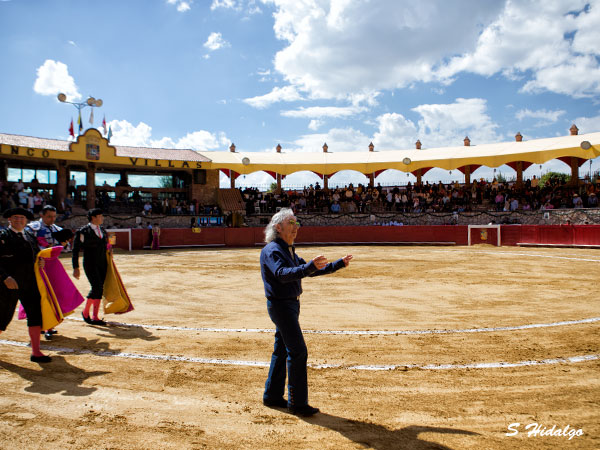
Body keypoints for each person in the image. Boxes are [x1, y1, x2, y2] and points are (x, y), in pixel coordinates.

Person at [260, 208, 352, 416]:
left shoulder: (287, 249)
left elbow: (309, 270)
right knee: (298, 351)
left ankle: (272, 396)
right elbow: (283, 274)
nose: (296, 228)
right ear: (278, 227)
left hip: (290, 305)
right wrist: (308, 267)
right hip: (282, 306)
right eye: (291, 223)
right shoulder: (273, 250)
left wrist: (338, 264)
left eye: (296, 223)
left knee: (282, 350)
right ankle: (297, 402)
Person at [0, 207, 51, 362]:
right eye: (15, 217)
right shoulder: (3, 236)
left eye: (22, 218)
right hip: (10, 284)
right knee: (2, 317)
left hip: (29, 282)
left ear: (26, 220)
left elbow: (36, 254)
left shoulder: (29, 236)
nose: (19, 220)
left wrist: (40, 261)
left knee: (35, 315)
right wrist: (5, 277)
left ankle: (36, 352)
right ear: (9, 219)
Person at [26, 205, 73, 340]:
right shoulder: (32, 228)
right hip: (36, 265)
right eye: (49, 216)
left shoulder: (57, 229)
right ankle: (40, 324)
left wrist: (63, 244)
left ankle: (49, 326)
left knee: (52, 295)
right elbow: (28, 245)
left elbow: (66, 249)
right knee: (39, 296)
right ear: (42, 215)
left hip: (52, 266)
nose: (52, 219)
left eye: (54, 216)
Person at [72, 208, 109, 326]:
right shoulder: (83, 231)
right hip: (90, 263)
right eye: (100, 216)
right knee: (96, 287)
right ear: (93, 218)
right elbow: (75, 250)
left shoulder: (102, 230)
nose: (102, 218)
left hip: (103, 263)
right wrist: (76, 267)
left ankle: (95, 316)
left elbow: (106, 246)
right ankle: (86, 312)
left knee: (100, 288)